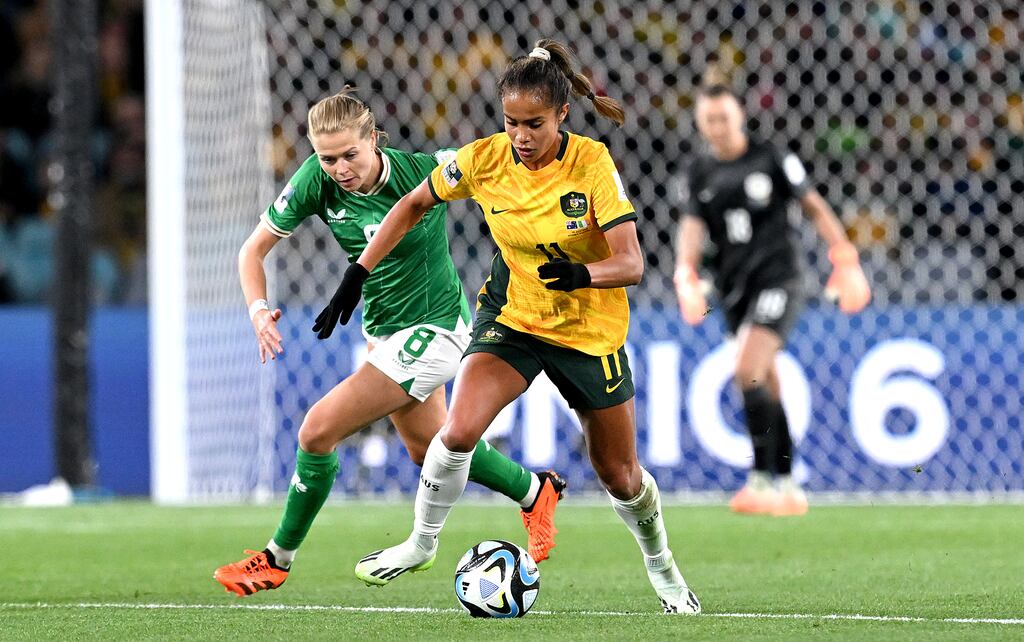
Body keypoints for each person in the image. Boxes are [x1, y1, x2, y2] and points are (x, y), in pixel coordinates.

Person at [315, 40, 701, 614]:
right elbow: (414, 202)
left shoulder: (592, 162)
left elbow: (633, 263)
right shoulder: (485, 158)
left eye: (535, 124)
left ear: (562, 115)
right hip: (513, 317)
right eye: (511, 122)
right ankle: (420, 544)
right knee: (457, 433)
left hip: (587, 331)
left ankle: (662, 566)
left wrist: (582, 273)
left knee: (619, 475)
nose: (521, 136)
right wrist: (358, 269)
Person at [214, 89, 566, 597]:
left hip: (439, 328)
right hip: (384, 332)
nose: (338, 168)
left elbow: (499, 160)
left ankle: (276, 559)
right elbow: (253, 251)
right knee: (430, 450)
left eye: (349, 155)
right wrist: (257, 310)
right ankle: (536, 491)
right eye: (326, 157)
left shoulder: (421, 171)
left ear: (374, 140)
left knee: (316, 431)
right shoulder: (317, 180)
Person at [674, 76, 871, 516]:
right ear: (700, 124)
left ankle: (762, 478)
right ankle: (786, 484)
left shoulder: (771, 157)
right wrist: (684, 273)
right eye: (709, 120)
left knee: (748, 370)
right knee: (767, 378)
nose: (718, 126)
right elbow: (691, 226)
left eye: (724, 117)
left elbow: (814, 205)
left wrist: (844, 257)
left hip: (779, 279)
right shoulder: (698, 172)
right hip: (733, 288)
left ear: (740, 116)